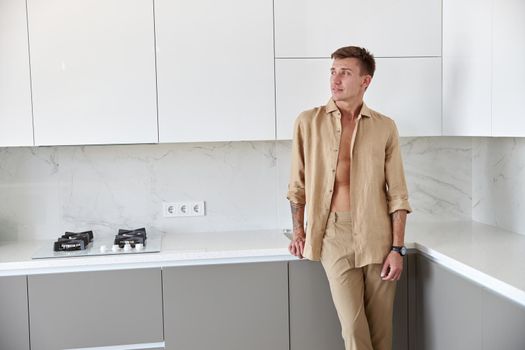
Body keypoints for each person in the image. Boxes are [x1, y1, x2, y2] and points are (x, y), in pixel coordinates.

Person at [287, 46, 412, 350]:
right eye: (333, 71)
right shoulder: (308, 122)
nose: (335, 79)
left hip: (378, 235)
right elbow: (297, 184)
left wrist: (397, 248)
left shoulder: (384, 126)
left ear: (365, 81)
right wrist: (299, 231)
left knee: (382, 331)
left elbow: (397, 193)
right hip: (334, 235)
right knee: (354, 331)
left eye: (345, 72)